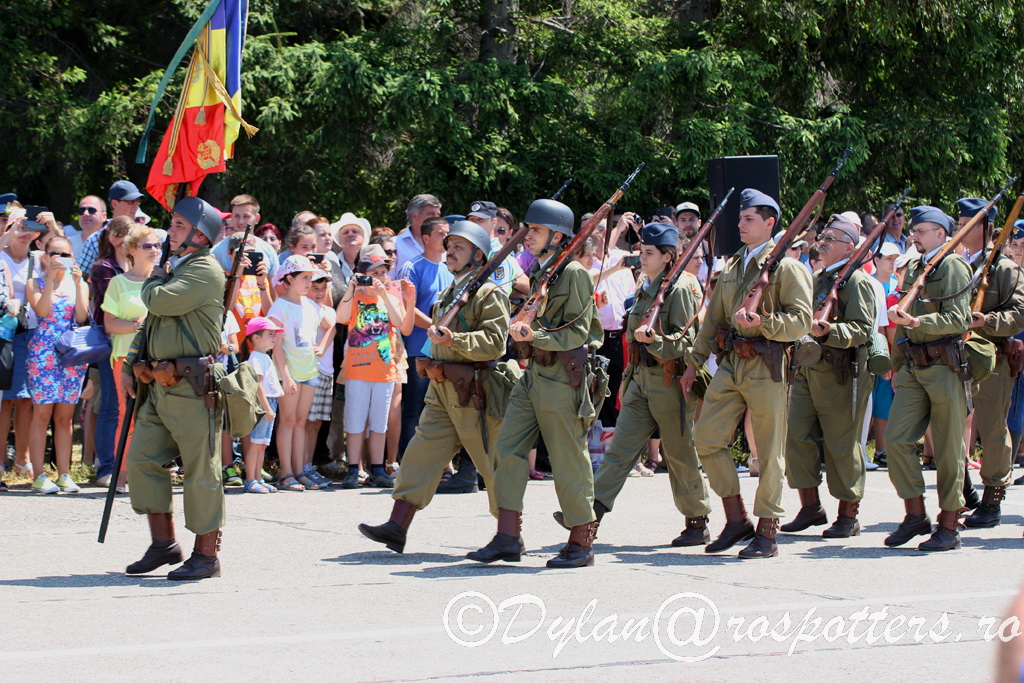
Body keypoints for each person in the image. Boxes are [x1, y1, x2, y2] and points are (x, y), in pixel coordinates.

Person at [358, 221, 512, 553]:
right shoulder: (449, 292)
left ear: (478, 255)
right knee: (419, 455)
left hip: (476, 392)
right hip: (443, 389)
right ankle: (397, 526)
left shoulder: (489, 293)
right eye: (450, 244)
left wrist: (455, 340)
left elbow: (496, 343)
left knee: (493, 464)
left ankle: (509, 535)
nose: (449, 250)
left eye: (459, 246)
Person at [468, 198, 605, 569]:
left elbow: (579, 331)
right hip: (535, 375)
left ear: (557, 236)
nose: (527, 236)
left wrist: (535, 335)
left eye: (536, 230)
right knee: (507, 449)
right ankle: (507, 536)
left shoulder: (573, 272)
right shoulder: (547, 269)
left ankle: (581, 541)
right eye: (528, 228)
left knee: (568, 459)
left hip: (563, 376)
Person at [558, 222, 712, 545]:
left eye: (649, 253)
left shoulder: (681, 289)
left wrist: (655, 341)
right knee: (620, 452)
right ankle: (589, 517)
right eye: (642, 251)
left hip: (670, 380)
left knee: (680, 453)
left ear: (669, 256)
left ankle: (697, 521)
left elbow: (688, 345)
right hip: (641, 379)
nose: (642, 257)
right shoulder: (645, 284)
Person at [681, 188, 813, 559]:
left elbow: (802, 320)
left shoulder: (787, 267)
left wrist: (764, 322)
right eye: (740, 218)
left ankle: (768, 530)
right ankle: (736, 518)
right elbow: (714, 320)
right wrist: (694, 361)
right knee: (706, 437)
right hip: (731, 362)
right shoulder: (735, 264)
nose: (740, 223)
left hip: (767, 363)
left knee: (770, 450)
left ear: (770, 224)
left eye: (748, 218)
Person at [121, 196, 227, 580]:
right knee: (143, 460)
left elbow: (159, 302)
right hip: (159, 383)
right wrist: (133, 361)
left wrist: (153, 276)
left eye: (180, 225)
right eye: (173, 223)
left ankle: (206, 555)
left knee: (201, 471)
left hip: (193, 386)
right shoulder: (175, 266)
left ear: (201, 236)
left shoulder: (204, 270)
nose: (171, 231)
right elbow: (150, 324)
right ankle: (163, 544)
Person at [884, 206, 973, 551]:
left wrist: (918, 324)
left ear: (941, 234)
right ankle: (915, 513)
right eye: (914, 231)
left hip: (944, 365)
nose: (914, 236)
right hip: (914, 365)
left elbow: (958, 319)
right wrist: (897, 364)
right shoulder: (919, 267)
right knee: (896, 440)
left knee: (949, 449)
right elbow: (903, 319)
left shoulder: (951, 265)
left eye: (921, 231)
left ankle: (949, 524)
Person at [781, 215, 876, 538]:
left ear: (850, 248)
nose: (822, 243)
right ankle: (810, 507)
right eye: (822, 236)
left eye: (831, 239)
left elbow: (862, 328)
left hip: (840, 371)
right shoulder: (819, 277)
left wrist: (830, 330)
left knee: (841, 442)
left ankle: (848, 514)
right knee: (796, 434)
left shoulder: (857, 281)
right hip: (809, 367)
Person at [955, 198, 1024, 528]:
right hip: (953, 357)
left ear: (984, 228)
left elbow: (1019, 314)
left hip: (991, 358)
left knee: (994, 430)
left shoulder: (1005, 269)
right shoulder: (955, 263)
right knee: (947, 426)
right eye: (959, 223)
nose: (960, 229)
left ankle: (993, 500)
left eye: (966, 223)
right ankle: (965, 492)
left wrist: (988, 321)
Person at [337, 245, 409, 489]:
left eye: (382, 272)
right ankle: (353, 469)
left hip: (384, 371)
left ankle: (378, 469)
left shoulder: (388, 297)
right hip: (358, 371)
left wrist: (385, 294)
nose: (378, 278)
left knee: (379, 423)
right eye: (373, 273)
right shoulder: (355, 297)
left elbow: (399, 322)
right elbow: (341, 317)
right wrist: (351, 289)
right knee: (355, 422)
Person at [25, 235, 90, 493]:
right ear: (45, 256)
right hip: (43, 355)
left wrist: (78, 282)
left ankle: (64, 473)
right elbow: (41, 311)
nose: (59, 258)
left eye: (64, 254)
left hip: (72, 356)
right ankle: (39, 474)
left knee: (65, 418)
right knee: (42, 414)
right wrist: (51, 281)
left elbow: (83, 316)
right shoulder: (35, 283)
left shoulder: (79, 284)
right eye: (54, 253)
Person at [101, 225, 160, 494]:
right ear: (132, 250)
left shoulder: (163, 282)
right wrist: (139, 324)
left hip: (159, 359)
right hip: (125, 358)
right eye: (148, 246)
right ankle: (121, 476)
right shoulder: (118, 282)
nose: (154, 250)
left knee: (156, 418)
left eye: (157, 245)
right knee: (129, 417)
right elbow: (110, 324)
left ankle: (148, 474)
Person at [266, 255, 330, 491]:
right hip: (289, 373)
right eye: (304, 277)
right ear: (289, 279)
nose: (308, 282)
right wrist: (286, 376)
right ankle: (286, 473)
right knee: (288, 420)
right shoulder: (280, 307)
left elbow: (332, 324)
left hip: (310, 371)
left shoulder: (312, 306)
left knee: (301, 422)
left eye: (310, 277)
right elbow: (276, 346)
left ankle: (300, 471)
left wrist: (320, 347)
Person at [397, 217, 453, 458]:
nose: (446, 239)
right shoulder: (413, 266)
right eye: (440, 234)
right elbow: (404, 304)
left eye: (448, 234)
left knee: (442, 409)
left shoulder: (451, 268)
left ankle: (440, 463)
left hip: (445, 351)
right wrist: (434, 326)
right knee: (415, 409)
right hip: (418, 349)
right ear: (426, 238)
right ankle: (410, 461)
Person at [0, 212, 38, 481]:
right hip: (5, 333)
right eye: (18, 226)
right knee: (5, 401)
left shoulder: (39, 258)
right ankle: (1, 459)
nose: (25, 231)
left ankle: (23, 460)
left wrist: (47, 227)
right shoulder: (0, 256)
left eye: (30, 226)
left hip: (32, 333)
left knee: (26, 400)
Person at [302, 269, 337, 488]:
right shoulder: (307, 308)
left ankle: (309, 465)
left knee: (316, 424)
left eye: (323, 288)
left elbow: (332, 326)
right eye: (315, 288)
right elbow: (328, 327)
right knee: (305, 422)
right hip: (311, 371)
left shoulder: (329, 310)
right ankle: (302, 466)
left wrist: (323, 348)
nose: (320, 292)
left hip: (327, 372)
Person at [242, 317, 284, 493]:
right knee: (256, 442)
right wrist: (267, 407)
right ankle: (251, 479)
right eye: (270, 334)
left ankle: (257, 478)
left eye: (275, 334)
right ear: (256, 337)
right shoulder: (257, 358)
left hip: (270, 401)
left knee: (263, 443)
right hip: (263, 403)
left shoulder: (265, 356)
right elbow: (257, 385)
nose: (274, 337)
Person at [80, 180, 144, 277]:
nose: (136, 206)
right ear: (114, 204)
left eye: (138, 201)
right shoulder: (95, 240)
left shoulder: (144, 236)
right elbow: (82, 279)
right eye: (130, 201)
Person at [393, 194, 442, 276]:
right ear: (415, 216)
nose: (436, 219)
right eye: (431, 214)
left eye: (438, 215)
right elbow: (388, 280)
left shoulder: (444, 244)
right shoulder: (395, 244)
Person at [67, 195, 107, 261]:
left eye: (91, 210)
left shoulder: (112, 244)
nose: (85, 213)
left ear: (104, 216)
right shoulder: (68, 244)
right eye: (81, 210)